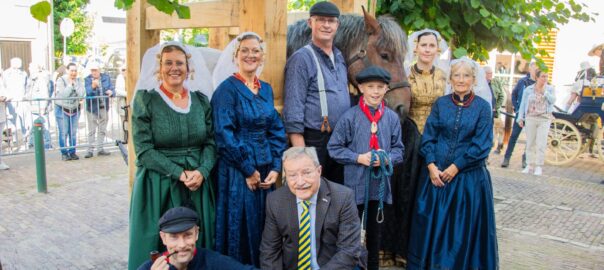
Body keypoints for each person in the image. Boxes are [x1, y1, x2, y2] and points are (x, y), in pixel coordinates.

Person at [128, 41, 216, 270]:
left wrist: (203, 171)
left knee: (195, 240)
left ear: (189, 68)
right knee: (161, 243)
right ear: (159, 68)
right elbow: (145, 150)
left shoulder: (200, 100)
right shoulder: (146, 100)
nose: (174, 68)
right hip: (159, 183)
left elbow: (210, 141)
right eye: (168, 63)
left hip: (196, 182)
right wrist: (179, 173)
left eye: (180, 63)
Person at [407, 58, 498, 269]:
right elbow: (429, 136)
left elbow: (482, 144)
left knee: (459, 232)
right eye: (457, 75)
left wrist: (456, 166)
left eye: (466, 76)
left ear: (474, 80)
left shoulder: (483, 108)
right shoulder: (441, 104)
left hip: (467, 182)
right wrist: (431, 166)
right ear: (450, 78)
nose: (461, 80)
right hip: (436, 177)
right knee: (430, 225)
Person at [211, 32, 287, 267]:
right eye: (245, 50)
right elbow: (224, 134)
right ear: (236, 55)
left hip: (265, 170)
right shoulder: (226, 90)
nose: (250, 55)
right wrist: (247, 170)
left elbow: (275, 128)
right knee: (240, 225)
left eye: (255, 50)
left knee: (265, 225)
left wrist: (276, 166)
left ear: (262, 56)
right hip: (237, 171)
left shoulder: (265, 89)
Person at [327, 66, 404, 270]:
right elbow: (333, 148)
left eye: (380, 87)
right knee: (351, 235)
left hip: (379, 190)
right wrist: (358, 157)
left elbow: (399, 150)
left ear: (386, 89)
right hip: (354, 188)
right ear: (361, 88)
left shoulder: (391, 119)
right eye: (371, 87)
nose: (375, 91)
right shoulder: (349, 117)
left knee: (375, 236)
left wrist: (386, 158)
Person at [260, 147, 362, 270]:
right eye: (292, 175)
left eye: (307, 173)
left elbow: (348, 251)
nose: (300, 182)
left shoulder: (343, 197)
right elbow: (269, 251)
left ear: (319, 171)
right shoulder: (275, 200)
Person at [282, 1, 349, 184]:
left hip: (340, 140)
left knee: (335, 196)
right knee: (312, 194)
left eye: (331, 21)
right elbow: (293, 110)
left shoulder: (340, 57)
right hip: (315, 140)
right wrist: (302, 155)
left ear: (337, 25)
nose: (326, 25)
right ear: (310, 23)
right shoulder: (301, 59)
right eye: (320, 20)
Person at [137, 207, 257, 270]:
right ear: (163, 238)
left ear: (196, 233)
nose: (182, 245)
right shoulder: (147, 268)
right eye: (174, 237)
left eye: (188, 235)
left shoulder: (213, 262)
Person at [405, 29, 449, 134]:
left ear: (437, 49)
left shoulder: (445, 77)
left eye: (432, 46)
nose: (427, 50)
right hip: (409, 134)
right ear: (416, 48)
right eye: (424, 45)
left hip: (437, 134)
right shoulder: (405, 75)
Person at [516, 70, 555, 176]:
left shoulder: (550, 89)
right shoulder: (529, 89)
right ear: (537, 78)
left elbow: (553, 101)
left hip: (544, 119)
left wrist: (545, 92)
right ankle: (529, 165)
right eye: (543, 76)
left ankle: (538, 166)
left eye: (546, 76)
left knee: (541, 143)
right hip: (531, 118)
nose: (545, 79)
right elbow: (523, 104)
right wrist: (520, 118)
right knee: (530, 143)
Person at [501, 61, 537, 168]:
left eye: (537, 69)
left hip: (533, 115)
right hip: (521, 114)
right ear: (530, 69)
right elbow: (514, 94)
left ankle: (525, 159)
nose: (536, 71)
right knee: (513, 137)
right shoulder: (522, 81)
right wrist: (517, 109)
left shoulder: (540, 83)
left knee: (530, 139)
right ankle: (506, 158)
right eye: (534, 68)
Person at [54, 63, 86, 161]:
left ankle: (72, 152)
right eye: (71, 70)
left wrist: (75, 86)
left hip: (75, 109)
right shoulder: (61, 80)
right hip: (62, 109)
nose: (74, 73)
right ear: (67, 70)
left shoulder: (79, 81)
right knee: (64, 132)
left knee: (73, 132)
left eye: (75, 71)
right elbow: (64, 95)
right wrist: (70, 86)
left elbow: (81, 94)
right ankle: (64, 152)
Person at [84, 61, 115, 158]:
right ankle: (90, 150)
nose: (93, 72)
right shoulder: (87, 79)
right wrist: (93, 87)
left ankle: (100, 148)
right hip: (92, 108)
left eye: (95, 70)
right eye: (92, 70)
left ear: (99, 70)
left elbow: (112, 88)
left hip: (103, 106)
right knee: (91, 130)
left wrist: (111, 92)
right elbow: (87, 92)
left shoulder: (106, 77)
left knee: (102, 129)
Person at [2, 57, 29, 144]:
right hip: (10, 100)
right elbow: (3, 86)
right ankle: (10, 138)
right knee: (10, 119)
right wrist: (6, 96)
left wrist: (25, 96)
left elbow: (26, 86)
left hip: (21, 99)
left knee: (24, 119)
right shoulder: (6, 73)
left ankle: (26, 137)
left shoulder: (23, 73)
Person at [26, 62, 52, 149]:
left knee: (45, 127)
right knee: (33, 126)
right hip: (33, 108)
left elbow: (45, 94)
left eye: (31, 67)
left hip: (40, 108)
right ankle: (32, 142)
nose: (29, 68)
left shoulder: (41, 79)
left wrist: (43, 107)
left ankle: (47, 144)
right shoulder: (31, 79)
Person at [484, 66, 506, 154]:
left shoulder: (495, 83)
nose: (490, 75)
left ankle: (491, 150)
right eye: (488, 73)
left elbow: (501, 96)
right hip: (484, 112)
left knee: (497, 129)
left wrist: (496, 107)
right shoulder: (480, 84)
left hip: (493, 112)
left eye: (491, 73)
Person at [0, 69, 9, 170]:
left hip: (1, 115)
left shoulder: (1, 82)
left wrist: (5, 97)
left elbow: (6, 93)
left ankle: (0, 162)